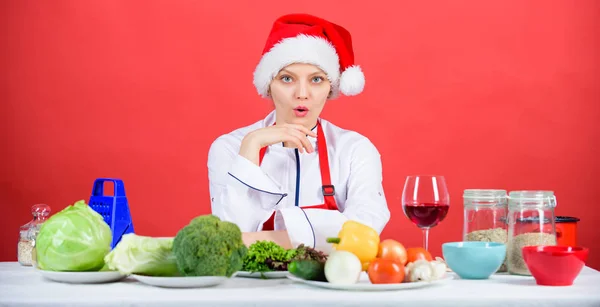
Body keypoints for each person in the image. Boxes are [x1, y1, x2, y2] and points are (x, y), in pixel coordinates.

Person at [208, 13, 390, 252]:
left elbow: (364, 229)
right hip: (250, 286)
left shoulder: (355, 149)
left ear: (330, 88)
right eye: (287, 78)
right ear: (268, 86)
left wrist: (256, 241)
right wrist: (250, 148)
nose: (302, 93)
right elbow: (228, 234)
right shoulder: (230, 147)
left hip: (328, 286)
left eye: (316, 79)